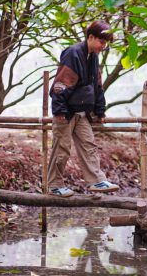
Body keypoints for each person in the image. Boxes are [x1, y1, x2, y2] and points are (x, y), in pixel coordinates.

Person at [47, 21, 120, 197]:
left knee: (89, 145)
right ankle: (54, 185)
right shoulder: (73, 54)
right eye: (101, 42)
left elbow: (97, 85)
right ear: (91, 37)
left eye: (106, 43)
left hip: (82, 112)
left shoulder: (93, 56)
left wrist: (100, 111)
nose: (103, 46)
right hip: (66, 111)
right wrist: (59, 111)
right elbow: (61, 84)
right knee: (62, 149)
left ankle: (96, 182)